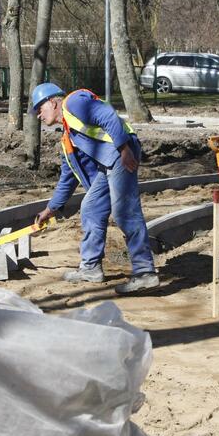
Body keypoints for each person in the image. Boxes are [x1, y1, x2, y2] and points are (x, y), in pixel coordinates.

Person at [31, 83, 160, 295]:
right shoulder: (68, 136)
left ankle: (145, 272)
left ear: (52, 102)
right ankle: (90, 268)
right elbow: (67, 178)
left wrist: (125, 149)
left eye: (39, 109)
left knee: (124, 212)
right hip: (110, 161)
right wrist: (50, 209)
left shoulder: (75, 102)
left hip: (121, 154)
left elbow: (108, 116)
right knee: (90, 207)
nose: (38, 116)